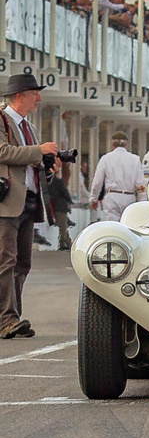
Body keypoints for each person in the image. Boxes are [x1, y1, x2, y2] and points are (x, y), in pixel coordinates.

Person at [0, 74, 59, 338]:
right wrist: (39, 150)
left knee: (22, 263)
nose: (39, 98)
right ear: (19, 96)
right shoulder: (2, 120)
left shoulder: (28, 127)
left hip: (28, 200)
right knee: (6, 261)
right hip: (7, 202)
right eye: (35, 93)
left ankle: (14, 317)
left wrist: (49, 165)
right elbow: (3, 152)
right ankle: (6, 319)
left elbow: (32, 162)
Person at [89, 136, 145, 223]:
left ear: (112, 143)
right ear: (126, 143)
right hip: (129, 196)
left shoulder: (106, 158)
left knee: (112, 226)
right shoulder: (135, 159)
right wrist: (142, 200)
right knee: (128, 224)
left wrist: (94, 198)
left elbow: (97, 181)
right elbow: (140, 183)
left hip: (112, 196)